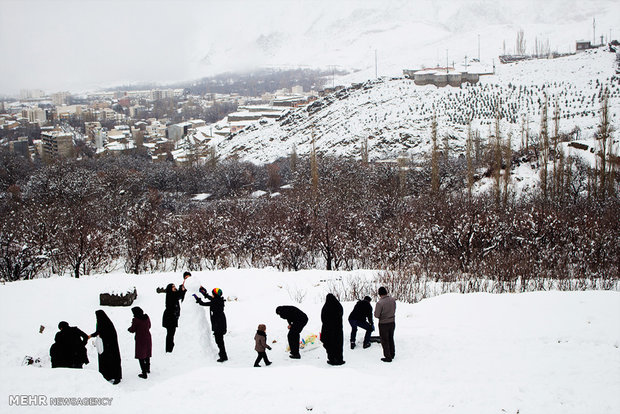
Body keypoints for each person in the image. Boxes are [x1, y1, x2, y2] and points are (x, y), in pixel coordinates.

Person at [195, 287, 228, 362]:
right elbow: (212, 299)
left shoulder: (215, 302)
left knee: (219, 341)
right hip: (220, 323)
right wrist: (205, 294)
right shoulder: (218, 300)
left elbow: (203, 303)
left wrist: (198, 299)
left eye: (213, 294)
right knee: (220, 341)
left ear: (215, 295)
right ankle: (223, 354)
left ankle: (223, 356)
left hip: (219, 324)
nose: (212, 295)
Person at [90, 310, 122, 384]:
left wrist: (93, 335)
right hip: (109, 346)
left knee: (110, 361)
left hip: (109, 347)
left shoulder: (103, 323)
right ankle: (108, 376)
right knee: (111, 361)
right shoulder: (106, 322)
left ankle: (114, 376)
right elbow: (99, 331)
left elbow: (101, 332)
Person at [320, 294, 345, 365]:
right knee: (338, 344)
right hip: (338, 329)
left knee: (329, 345)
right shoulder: (339, 306)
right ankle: (339, 359)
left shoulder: (325, 307)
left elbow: (323, 318)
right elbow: (341, 314)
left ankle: (332, 360)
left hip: (328, 330)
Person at [162, 281, 187, 352]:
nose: (174, 287)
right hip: (169, 318)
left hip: (171, 317)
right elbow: (178, 295)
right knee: (170, 334)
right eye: (173, 287)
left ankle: (170, 347)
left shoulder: (172, 294)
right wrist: (181, 289)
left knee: (171, 333)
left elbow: (179, 294)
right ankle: (169, 349)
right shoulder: (170, 295)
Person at [128, 306, 152, 379]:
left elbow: (132, 329)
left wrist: (129, 329)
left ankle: (144, 373)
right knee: (147, 353)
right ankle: (147, 368)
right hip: (148, 337)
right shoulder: (146, 317)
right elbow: (149, 326)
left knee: (141, 355)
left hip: (140, 339)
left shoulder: (136, 320)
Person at [374, 286, 396, 362]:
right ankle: (392, 353)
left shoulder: (380, 303)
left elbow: (377, 315)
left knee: (384, 340)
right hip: (392, 322)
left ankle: (387, 357)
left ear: (379, 294)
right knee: (391, 338)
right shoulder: (393, 300)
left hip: (383, 323)